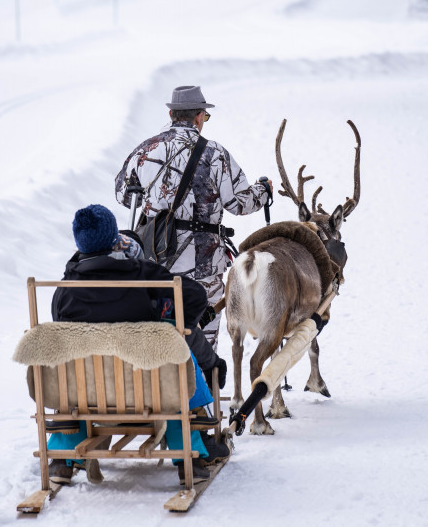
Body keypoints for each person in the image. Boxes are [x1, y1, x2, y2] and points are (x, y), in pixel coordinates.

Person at [48, 204, 228, 486]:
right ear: (113, 239)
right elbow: (195, 296)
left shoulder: (64, 290)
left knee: (71, 366)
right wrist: (176, 324)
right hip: (150, 390)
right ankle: (190, 455)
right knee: (173, 358)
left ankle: (62, 458)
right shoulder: (141, 274)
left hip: (92, 394)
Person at [115, 85, 273, 347]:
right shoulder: (215, 153)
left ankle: (161, 382)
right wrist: (263, 191)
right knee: (202, 334)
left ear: (171, 113)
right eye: (205, 117)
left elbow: (124, 195)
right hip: (203, 263)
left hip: (155, 260)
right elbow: (239, 204)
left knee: (159, 329)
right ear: (199, 116)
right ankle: (203, 382)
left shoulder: (144, 151)